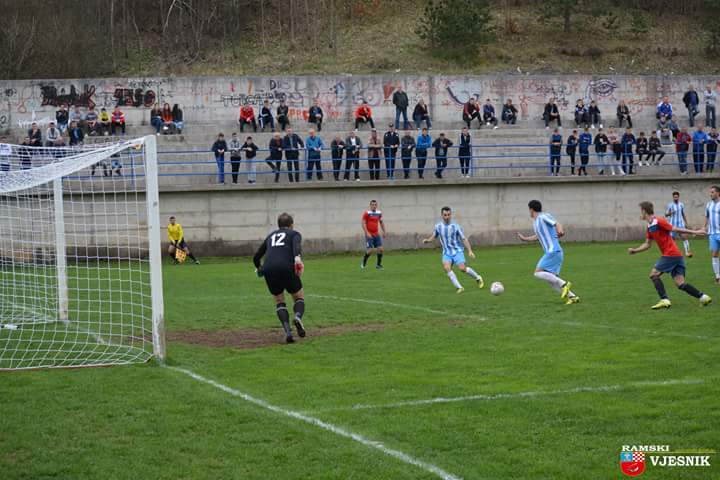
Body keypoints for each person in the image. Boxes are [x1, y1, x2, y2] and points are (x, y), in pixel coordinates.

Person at [628, 202, 710, 309]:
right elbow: (647, 244)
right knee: (680, 283)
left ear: (644, 211)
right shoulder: (649, 226)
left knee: (653, 274)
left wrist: (695, 232)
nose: (640, 214)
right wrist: (635, 250)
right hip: (676, 256)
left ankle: (664, 300)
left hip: (671, 254)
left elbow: (675, 229)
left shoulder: (659, 221)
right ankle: (703, 297)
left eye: (641, 211)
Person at [252, 212, 306, 344]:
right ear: (291, 225)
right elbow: (296, 247)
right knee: (298, 297)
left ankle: (288, 332)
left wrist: (259, 268)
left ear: (279, 225)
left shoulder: (271, 236)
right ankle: (298, 317)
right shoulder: (294, 234)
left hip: (269, 269)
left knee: (279, 300)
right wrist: (297, 261)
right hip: (286, 267)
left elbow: (256, 257)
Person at [516, 200, 580, 305]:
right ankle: (573, 297)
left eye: (529, 209)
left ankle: (564, 284)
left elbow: (556, 223)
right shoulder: (536, 222)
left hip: (553, 251)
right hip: (554, 252)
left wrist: (560, 230)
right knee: (552, 281)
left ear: (531, 209)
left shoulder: (543, 216)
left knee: (537, 273)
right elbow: (538, 236)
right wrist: (525, 239)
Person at [422, 206, 484, 293]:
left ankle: (478, 278)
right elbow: (434, 235)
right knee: (447, 268)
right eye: (445, 215)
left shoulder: (455, 226)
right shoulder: (438, 226)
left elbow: (464, 239)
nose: (447, 217)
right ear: (442, 215)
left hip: (457, 251)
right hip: (446, 253)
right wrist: (428, 240)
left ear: (451, 215)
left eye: (448, 215)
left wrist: (470, 251)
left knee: (462, 268)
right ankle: (459, 287)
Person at [665, 191, 693, 258]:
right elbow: (666, 214)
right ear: (673, 197)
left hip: (680, 224)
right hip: (672, 225)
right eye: (674, 197)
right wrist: (670, 213)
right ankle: (671, 253)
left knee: (684, 237)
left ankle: (687, 252)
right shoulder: (670, 205)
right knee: (672, 239)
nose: (676, 198)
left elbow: (683, 214)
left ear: (678, 197)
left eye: (677, 197)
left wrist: (686, 223)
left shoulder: (681, 205)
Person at [361, 200, 386, 270]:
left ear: (376, 205)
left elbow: (381, 222)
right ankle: (364, 262)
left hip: (376, 234)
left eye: (375, 205)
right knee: (370, 250)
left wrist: (384, 231)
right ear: (370, 206)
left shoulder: (379, 213)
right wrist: (367, 232)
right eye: (372, 205)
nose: (374, 206)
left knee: (381, 249)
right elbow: (363, 223)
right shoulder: (367, 213)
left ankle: (378, 265)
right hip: (369, 234)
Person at [704, 185, 720, 284]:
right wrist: (704, 227)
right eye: (710, 192)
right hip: (712, 234)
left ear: (718, 193)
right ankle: (718, 277)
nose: (711, 194)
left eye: (712, 192)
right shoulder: (709, 204)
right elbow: (707, 216)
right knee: (714, 255)